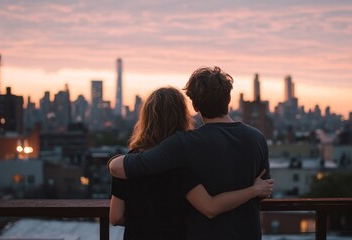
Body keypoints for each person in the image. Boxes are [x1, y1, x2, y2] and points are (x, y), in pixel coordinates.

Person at [109, 67, 272, 240]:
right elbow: (264, 190)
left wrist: (113, 161)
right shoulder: (257, 139)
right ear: (229, 99)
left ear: (194, 105)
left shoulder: (186, 143)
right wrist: (253, 190)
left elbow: (126, 167)